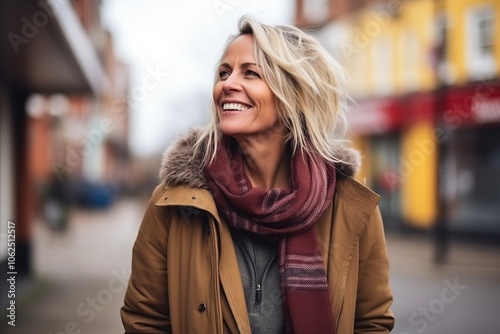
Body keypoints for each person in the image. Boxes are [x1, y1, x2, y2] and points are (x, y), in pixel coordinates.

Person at [121, 15, 394, 334]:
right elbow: (145, 319)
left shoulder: (351, 207)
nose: (227, 84)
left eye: (250, 73)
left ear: (293, 95)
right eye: (224, 72)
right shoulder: (174, 204)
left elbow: (372, 323)